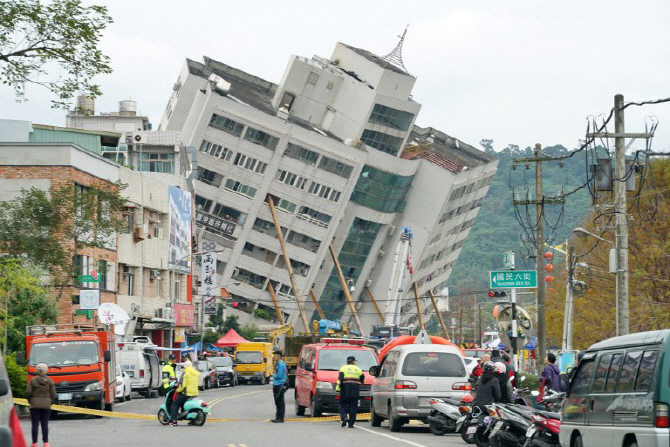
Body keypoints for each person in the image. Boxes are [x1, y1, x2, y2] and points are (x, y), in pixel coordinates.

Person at [26, 362, 56, 447]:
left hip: (34, 405)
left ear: (36, 370)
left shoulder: (32, 380)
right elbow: (53, 394)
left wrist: (30, 401)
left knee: (35, 424)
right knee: (44, 424)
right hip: (46, 405)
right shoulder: (50, 381)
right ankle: (45, 442)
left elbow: (28, 392)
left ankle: (34, 443)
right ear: (46, 370)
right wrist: (50, 402)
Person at [336, 355, 365, 428]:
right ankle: (351, 424)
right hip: (355, 391)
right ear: (353, 361)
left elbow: (340, 379)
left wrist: (338, 389)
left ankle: (344, 417)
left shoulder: (343, 368)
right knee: (353, 407)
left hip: (344, 390)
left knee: (342, 405)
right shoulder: (358, 369)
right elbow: (363, 380)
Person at [169, 360, 199, 426]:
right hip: (194, 393)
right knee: (184, 404)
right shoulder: (196, 372)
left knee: (175, 404)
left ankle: (174, 421)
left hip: (186, 393)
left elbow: (182, 385)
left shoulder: (185, 373)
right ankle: (192, 420)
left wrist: (178, 390)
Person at [271, 351, 287, 423]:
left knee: (280, 402)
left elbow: (279, 376)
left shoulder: (281, 364)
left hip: (279, 384)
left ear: (279, 356)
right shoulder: (278, 364)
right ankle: (278, 417)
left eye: (275, 356)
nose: (274, 357)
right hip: (276, 384)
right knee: (277, 402)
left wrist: (274, 375)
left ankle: (280, 418)